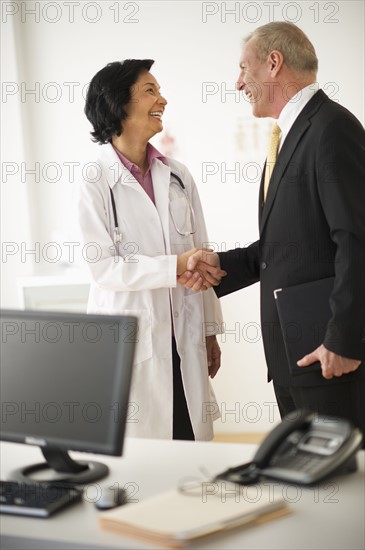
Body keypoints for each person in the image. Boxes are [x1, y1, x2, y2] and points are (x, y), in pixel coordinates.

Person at [181, 22, 365, 443]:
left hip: (328, 354)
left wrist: (343, 338)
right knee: (311, 485)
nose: (238, 82)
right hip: (296, 354)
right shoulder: (293, 135)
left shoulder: (331, 129)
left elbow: (356, 240)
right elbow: (290, 243)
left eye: (244, 69)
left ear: (274, 63)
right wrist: (222, 265)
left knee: (342, 489)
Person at [76, 59, 225, 441]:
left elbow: (202, 253)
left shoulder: (177, 174)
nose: (163, 100)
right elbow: (104, 269)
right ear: (118, 104)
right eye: (150, 91)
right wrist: (173, 266)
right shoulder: (95, 179)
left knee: (191, 446)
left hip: (185, 338)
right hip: (133, 341)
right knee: (144, 454)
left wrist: (210, 331)